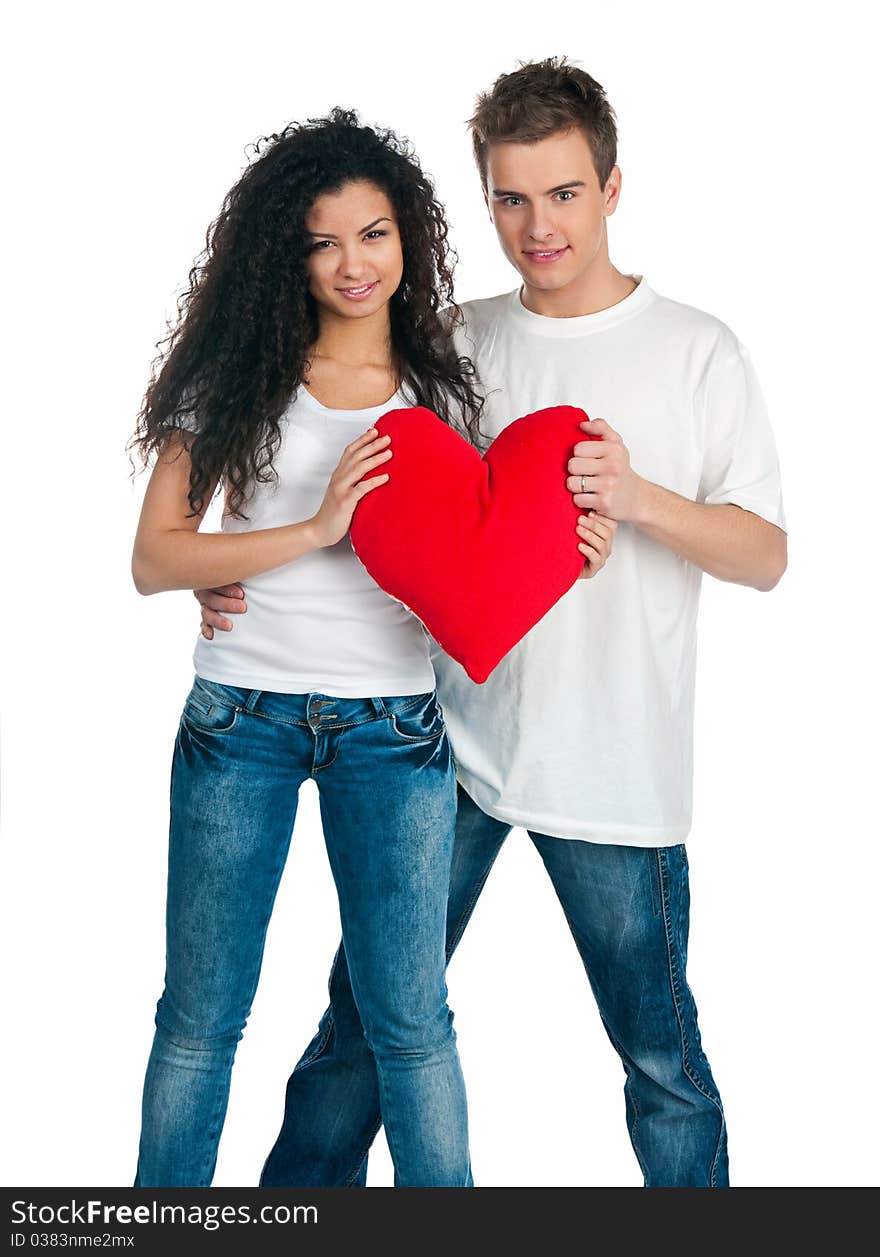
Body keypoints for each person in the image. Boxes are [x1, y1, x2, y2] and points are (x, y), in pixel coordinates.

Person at [197, 58, 785, 1189]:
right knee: (360, 1032)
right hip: (441, 752)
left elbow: (765, 556)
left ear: (612, 186)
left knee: (660, 1061)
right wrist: (218, 566)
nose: (536, 227)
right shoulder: (449, 342)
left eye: (561, 194)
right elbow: (327, 458)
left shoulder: (698, 349)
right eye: (509, 199)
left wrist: (638, 497)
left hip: (615, 769)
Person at [130, 107, 613, 1188]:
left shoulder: (446, 386)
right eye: (322, 240)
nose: (354, 262)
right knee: (200, 1020)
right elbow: (157, 558)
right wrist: (306, 531)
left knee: (411, 1024)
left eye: (376, 233)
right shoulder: (238, 376)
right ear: (286, 257)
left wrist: (565, 549)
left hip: (392, 731)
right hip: (238, 721)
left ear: (409, 239)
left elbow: (488, 545)